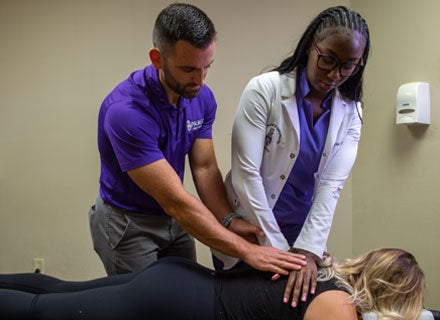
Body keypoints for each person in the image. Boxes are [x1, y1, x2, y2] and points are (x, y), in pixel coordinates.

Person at [89, 2, 306, 276]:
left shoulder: (201, 98)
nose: (200, 80)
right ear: (158, 59)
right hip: (129, 222)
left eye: (207, 67)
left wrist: (228, 219)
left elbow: (204, 168)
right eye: (189, 69)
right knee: (144, 307)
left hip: (173, 217)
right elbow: (175, 201)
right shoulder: (125, 112)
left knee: (186, 298)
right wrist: (247, 251)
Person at [211, 5, 371, 307]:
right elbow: (246, 175)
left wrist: (307, 251)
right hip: (251, 224)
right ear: (312, 46)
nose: (335, 74)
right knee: (234, 307)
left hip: (302, 232)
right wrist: (281, 253)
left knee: (290, 306)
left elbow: (330, 185)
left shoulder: (351, 111)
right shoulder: (265, 90)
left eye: (349, 65)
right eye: (328, 60)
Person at [0, 248, 426, 320]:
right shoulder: (339, 308)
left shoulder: (321, 264)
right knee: (43, 313)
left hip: (179, 282)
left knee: (57, 291)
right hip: (174, 306)